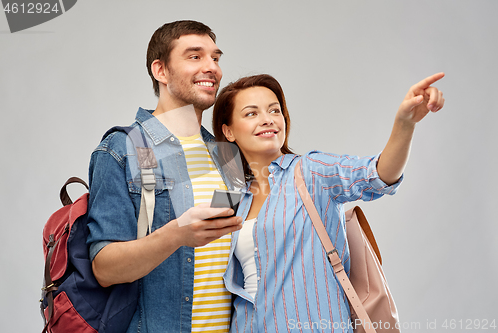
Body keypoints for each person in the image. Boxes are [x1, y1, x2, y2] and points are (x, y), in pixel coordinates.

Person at [212, 73, 445, 332]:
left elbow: (378, 174)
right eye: (251, 114)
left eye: (274, 110)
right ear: (228, 131)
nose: (267, 119)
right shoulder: (229, 196)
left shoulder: (311, 172)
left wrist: (405, 124)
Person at [86, 20, 243, 333]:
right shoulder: (124, 149)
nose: (211, 67)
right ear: (161, 71)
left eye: (215, 57)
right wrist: (177, 235)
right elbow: (104, 267)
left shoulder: (227, 155)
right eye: (194, 57)